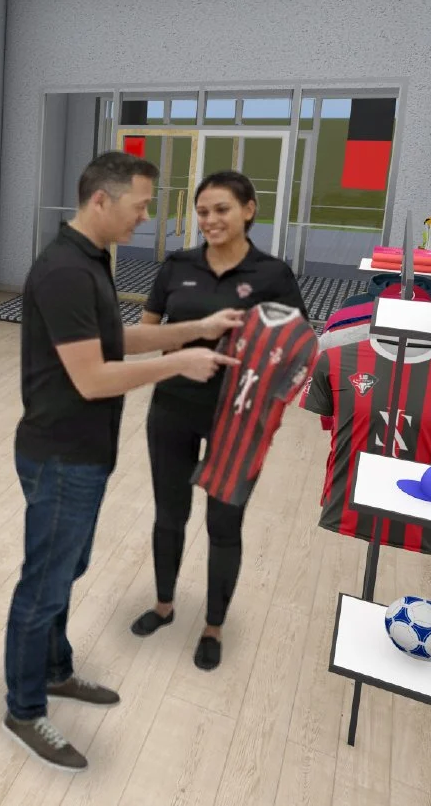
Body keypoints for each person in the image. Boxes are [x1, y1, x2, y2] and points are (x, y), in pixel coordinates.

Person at [3, 152, 240, 771]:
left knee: (65, 570)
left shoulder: (91, 261)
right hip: (61, 455)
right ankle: (24, 709)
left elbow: (115, 339)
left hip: (83, 454)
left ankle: (54, 671)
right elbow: (93, 377)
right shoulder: (64, 271)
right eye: (139, 206)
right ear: (101, 200)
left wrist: (194, 330)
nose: (145, 217)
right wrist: (179, 364)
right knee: (44, 584)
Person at [131, 170, 307, 672]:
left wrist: (266, 390)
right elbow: (146, 335)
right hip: (172, 407)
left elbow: (298, 346)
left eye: (222, 209)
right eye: (203, 211)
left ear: (249, 209)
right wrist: (185, 344)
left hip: (239, 420)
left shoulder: (273, 275)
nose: (210, 220)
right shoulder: (177, 266)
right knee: (169, 515)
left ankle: (213, 626)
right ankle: (164, 605)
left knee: (224, 524)